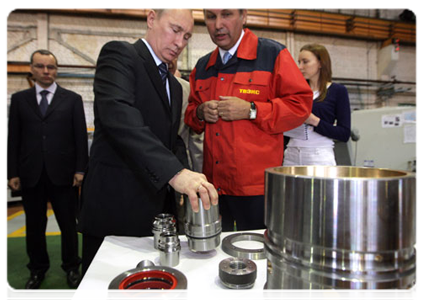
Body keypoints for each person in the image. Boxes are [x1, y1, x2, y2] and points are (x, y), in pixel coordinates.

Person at [78, 8, 218, 275]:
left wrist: (189, 179)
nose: (180, 43)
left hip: (157, 211)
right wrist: (175, 173)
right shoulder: (120, 55)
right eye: (175, 30)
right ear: (151, 18)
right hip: (115, 206)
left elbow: (170, 139)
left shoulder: (176, 86)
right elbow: (119, 117)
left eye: (187, 36)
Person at [185, 8, 313, 232]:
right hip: (215, 187)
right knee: (214, 254)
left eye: (227, 15)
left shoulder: (272, 55)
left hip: (258, 190)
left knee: (260, 255)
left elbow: (300, 106)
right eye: (211, 17)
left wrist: (252, 110)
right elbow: (190, 115)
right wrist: (200, 113)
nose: (218, 25)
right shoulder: (203, 67)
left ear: (243, 16)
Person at [6, 49, 88, 294]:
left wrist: (80, 169)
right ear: (31, 69)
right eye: (40, 66)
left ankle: (72, 266)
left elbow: (80, 137)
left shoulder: (72, 99)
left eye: (50, 67)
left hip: (63, 174)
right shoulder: (20, 100)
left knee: (68, 224)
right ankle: (37, 269)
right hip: (31, 174)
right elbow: (14, 139)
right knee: (34, 225)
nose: (45, 71)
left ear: (56, 70)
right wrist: (12, 172)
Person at [283, 44, 351, 166]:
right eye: (299, 62)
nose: (300, 67)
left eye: (305, 62)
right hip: (291, 154)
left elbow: (344, 134)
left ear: (320, 63)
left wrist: (314, 121)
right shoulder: (295, 91)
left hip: (319, 156)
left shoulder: (338, 91)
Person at [169, 58, 204, 232]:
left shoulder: (186, 89)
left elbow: (195, 137)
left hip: (180, 167)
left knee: (181, 219)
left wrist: (197, 175)